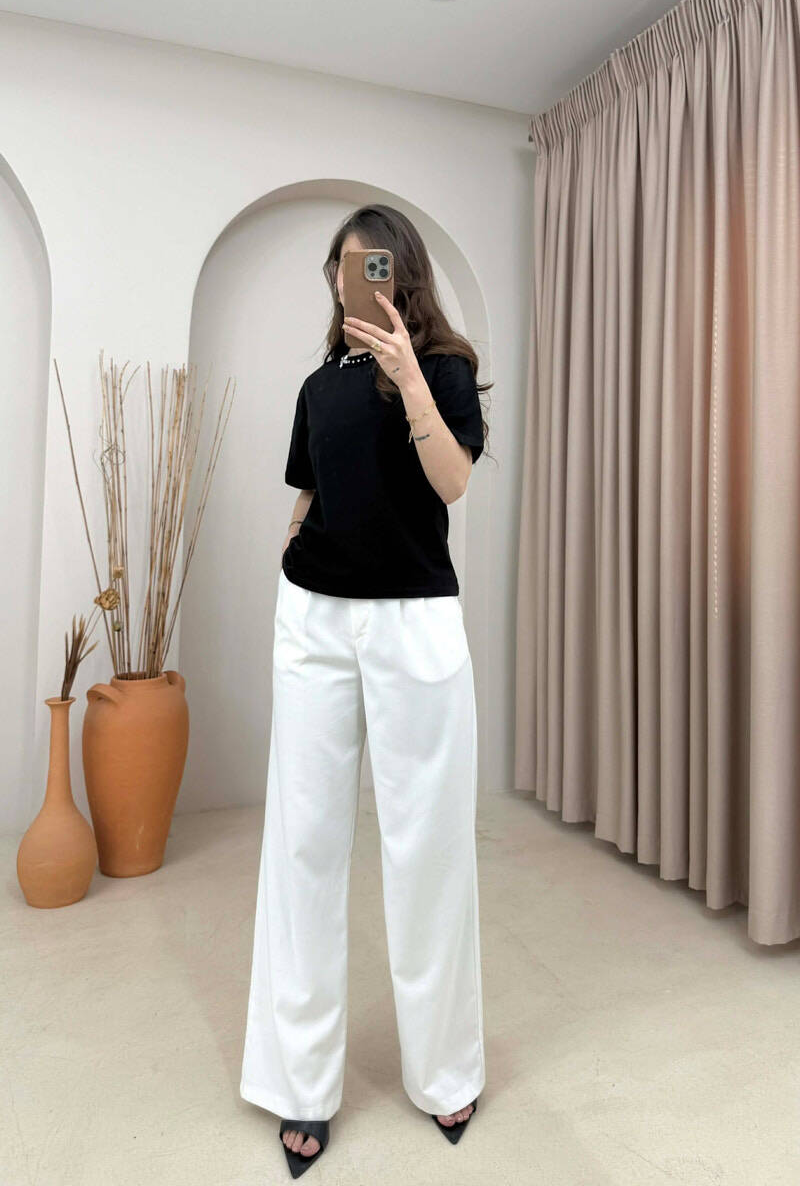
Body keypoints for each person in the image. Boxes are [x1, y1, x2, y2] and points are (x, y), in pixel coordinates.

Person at [239, 203, 492, 1178]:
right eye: (343, 270)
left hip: (413, 621)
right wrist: (293, 548)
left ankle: (445, 1068)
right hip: (314, 620)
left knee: (428, 845)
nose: (356, 283)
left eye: (372, 266)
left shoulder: (445, 368)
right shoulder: (317, 386)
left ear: (402, 273)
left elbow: (452, 483)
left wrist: (406, 375)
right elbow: (310, 489)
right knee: (302, 843)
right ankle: (299, 1083)